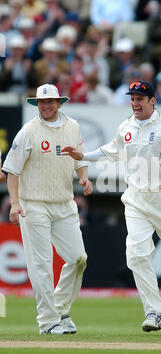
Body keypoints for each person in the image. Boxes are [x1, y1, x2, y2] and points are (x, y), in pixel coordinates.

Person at [62, 81, 161, 333]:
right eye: (132, 99)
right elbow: (110, 150)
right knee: (136, 255)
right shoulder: (126, 127)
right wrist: (83, 156)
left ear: (152, 101)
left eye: (140, 99)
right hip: (135, 198)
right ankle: (154, 312)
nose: (135, 103)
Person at [2, 83, 93, 335]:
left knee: (78, 258)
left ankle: (61, 309)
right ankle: (47, 321)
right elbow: (12, 169)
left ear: (59, 103)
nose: (45, 106)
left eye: (50, 101)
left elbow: (80, 158)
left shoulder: (72, 127)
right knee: (41, 264)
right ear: (36, 104)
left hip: (64, 203)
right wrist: (16, 202)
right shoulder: (28, 131)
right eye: (41, 102)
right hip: (34, 204)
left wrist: (84, 177)